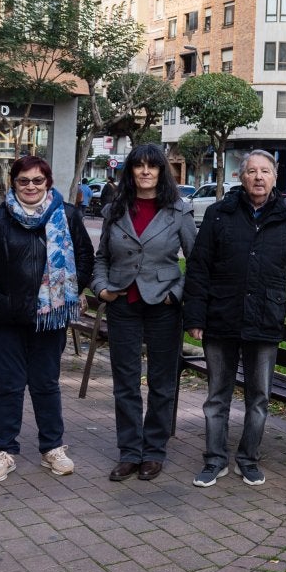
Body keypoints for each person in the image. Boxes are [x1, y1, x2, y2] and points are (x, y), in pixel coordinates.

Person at [0, 155, 94, 483]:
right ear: (13, 183)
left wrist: (68, 296)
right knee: (7, 385)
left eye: (37, 180)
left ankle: (52, 448)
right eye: (24, 181)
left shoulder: (68, 216)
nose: (31, 186)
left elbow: (85, 259)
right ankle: (5, 450)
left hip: (50, 318)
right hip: (4, 318)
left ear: (48, 182)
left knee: (46, 383)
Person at [183, 149, 286, 489]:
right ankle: (214, 460)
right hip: (220, 316)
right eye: (252, 171)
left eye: (265, 171)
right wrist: (194, 315)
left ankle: (248, 459)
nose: (258, 177)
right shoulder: (218, 214)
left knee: (259, 396)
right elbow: (199, 268)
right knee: (217, 395)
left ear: (275, 176)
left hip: (266, 319)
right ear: (241, 176)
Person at [91, 143, 196, 483]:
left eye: (153, 166)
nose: (146, 171)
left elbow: (197, 262)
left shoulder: (178, 210)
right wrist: (102, 288)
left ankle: (153, 451)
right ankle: (129, 452)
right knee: (125, 382)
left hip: (163, 307)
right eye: (139, 166)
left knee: (162, 383)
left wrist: (175, 295)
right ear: (131, 171)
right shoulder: (114, 209)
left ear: (162, 171)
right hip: (122, 304)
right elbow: (102, 257)